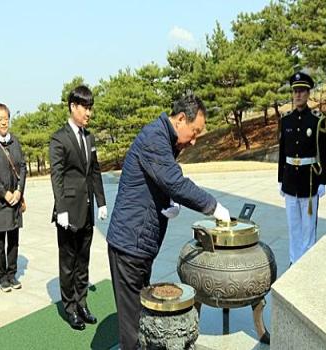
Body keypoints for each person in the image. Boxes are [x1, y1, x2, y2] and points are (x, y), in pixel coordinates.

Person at [106, 93, 231, 349]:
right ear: (181, 119)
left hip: (139, 243)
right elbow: (175, 182)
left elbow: (159, 182)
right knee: (132, 325)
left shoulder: (164, 137)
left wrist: (167, 203)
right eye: (194, 132)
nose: (194, 141)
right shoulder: (155, 137)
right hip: (129, 244)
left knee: (142, 315)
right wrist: (213, 206)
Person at [49, 85, 107, 331]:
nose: (89, 113)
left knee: (83, 260)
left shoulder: (89, 137)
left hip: (87, 210)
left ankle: (82, 302)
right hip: (68, 212)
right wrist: (61, 208)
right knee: (68, 262)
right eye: (85, 107)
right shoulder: (59, 138)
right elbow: (57, 176)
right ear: (73, 106)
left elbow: (94, 172)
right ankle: (70, 307)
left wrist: (101, 201)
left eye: (91, 107)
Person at [278, 72, 326, 265]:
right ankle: (294, 261)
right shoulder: (286, 120)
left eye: (302, 91)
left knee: (308, 228)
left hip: (310, 182)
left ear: (308, 94)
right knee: (293, 227)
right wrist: (280, 179)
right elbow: (282, 153)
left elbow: (323, 153)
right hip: (290, 180)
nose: (298, 95)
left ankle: (307, 264)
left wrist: (323, 181)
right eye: (295, 91)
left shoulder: (317, 120)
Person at [0, 103, 27, 292]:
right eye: (0, 119)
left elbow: (23, 167)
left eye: (6, 118)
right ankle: (2, 276)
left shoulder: (14, 141)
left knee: (14, 239)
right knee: (0, 241)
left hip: (15, 198)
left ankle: (12, 274)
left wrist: (18, 191)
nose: (4, 122)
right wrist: (5, 193)